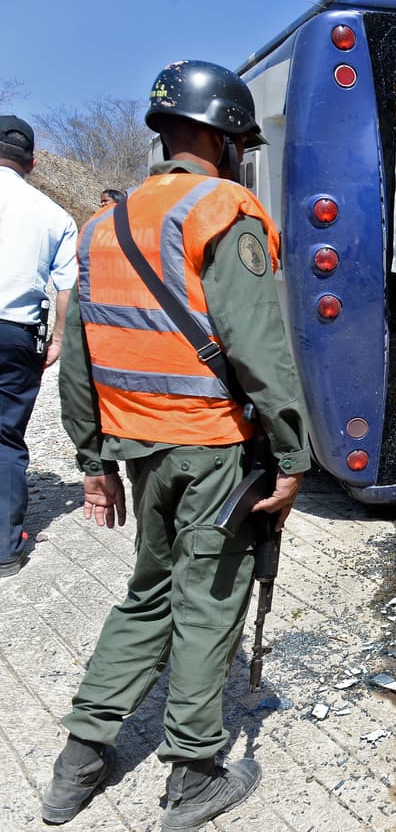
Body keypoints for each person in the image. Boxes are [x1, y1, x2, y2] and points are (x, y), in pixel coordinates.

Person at [41, 60, 311, 830]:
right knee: (208, 605)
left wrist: (94, 464)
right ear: (223, 136)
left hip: (141, 451)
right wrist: (292, 458)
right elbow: (258, 348)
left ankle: (79, 759)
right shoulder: (224, 210)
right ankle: (192, 778)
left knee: (149, 592)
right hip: (216, 450)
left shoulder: (105, 226)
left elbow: (81, 361)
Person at [0, 114, 78, 577]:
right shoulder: (53, 214)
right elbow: (68, 287)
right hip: (14, 332)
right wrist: (59, 340)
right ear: (30, 164)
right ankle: (5, 547)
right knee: (5, 437)